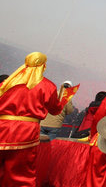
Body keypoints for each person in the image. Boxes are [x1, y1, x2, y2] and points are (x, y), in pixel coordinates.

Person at [0, 52, 73, 186]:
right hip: (26, 132)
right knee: (20, 173)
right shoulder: (48, 86)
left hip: (2, 127)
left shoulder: (8, 82)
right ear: (43, 66)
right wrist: (65, 98)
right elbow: (55, 110)